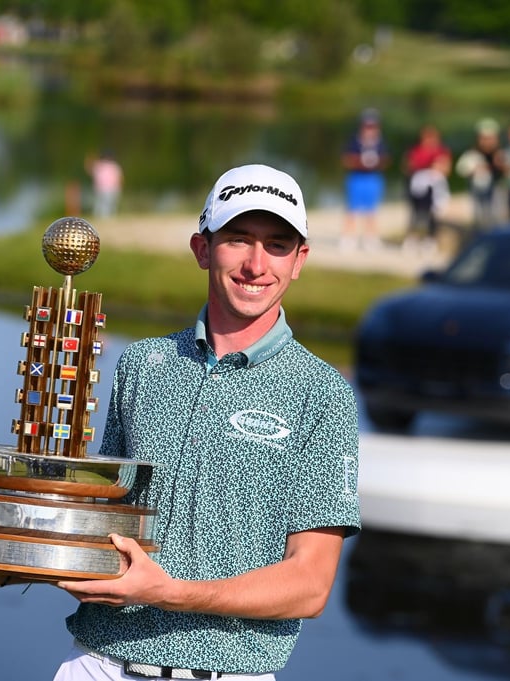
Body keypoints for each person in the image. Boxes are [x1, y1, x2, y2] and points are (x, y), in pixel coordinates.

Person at [53, 164, 362, 681]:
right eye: (238, 239)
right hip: (98, 664)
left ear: (299, 260)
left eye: (278, 244)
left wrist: (171, 594)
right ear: (202, 248)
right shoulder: (143, 363)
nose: (256, 264)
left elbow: (310, 585)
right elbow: (108, 515)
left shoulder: (323, 393)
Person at [340, 108, 391, 251]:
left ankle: (370, 238)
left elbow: (386, 160)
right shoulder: (354, 141)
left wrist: (376, 163)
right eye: (367, 126)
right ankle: (348, 238)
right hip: (357, 177)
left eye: (373, 126)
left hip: (373, 177)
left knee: (371, 210)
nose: (370, 129)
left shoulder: (380, 143)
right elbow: (346, 159)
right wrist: (359, 163)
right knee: (352, 208)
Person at [454, 118, 505, 230]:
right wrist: (473, 171)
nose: (487, 142)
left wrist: (501, 165)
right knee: (479, 214)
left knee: (496, 213)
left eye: (490, 138)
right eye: (484, 139)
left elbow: (506, 170)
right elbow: (461, 169)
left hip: (495, 187)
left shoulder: (500, 153)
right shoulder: (472, 154)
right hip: (477, 188)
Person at [403, 125, 452, 240]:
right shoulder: (415, 150)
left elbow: (446, 169)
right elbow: (407, 166)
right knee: (415, 213)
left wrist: (437, 168)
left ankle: (430, 239)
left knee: (434, 214)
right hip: (417, 186)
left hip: (434, 188)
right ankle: (412, 238)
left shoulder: (442, 151)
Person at [403, 151, 452, 252]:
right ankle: (412, 241)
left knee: (433, 223)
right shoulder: (421, 175)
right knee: (416, 221)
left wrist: (442, 205)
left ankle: (430, 242)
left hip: (434, 204)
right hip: (420, 203)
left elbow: (443, 193)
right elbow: (415, 189)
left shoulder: (441, 178)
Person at [86, 149, 124, 219]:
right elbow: (119, 178)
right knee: (109, 206)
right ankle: (107, 218)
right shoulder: (114, 166)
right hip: (111, 189)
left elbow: (91, 171)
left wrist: (89, 160)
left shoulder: (99, 165)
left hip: (101, 189)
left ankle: (101, 218)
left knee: (101, 205)